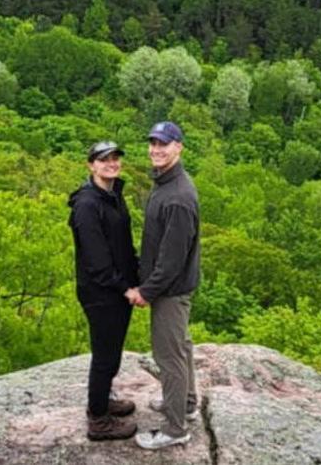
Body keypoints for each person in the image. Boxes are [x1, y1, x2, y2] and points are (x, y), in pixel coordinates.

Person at [126, 120, 200, 451]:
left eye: (164, 144)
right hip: (172, 287)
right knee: (181, 347)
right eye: (153, 143)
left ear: (179, 147)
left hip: (171, 291)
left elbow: (171, 260)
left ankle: (175, 428)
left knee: (168, 357)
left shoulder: (179, 196)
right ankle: (186, 404)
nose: (156, 149)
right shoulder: (166, 184)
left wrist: (146, 291)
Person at [67, 140, 139, 442]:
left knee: (112, 353)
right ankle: (98, 419)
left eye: (115, 158)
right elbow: (97, 261)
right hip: (101, 293)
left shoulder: (112, 195)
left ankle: (104, 400)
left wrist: (138, 278)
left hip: (116, 289)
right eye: (103, 159)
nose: (111, 163)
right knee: (104, 356)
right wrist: (127, 289)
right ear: (91, 165)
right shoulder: (87, 204)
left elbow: (122, 245)